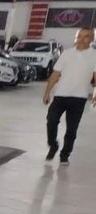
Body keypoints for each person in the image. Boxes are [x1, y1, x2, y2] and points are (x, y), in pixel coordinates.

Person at [42, 27, 96, 165]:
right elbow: (55, 74)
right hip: (60, 95)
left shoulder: (94, 55)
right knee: (51, 120)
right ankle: (53, 145)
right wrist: (47, 92)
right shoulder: (67, 53)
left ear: (92, 39)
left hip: (79, 97)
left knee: (72, 128)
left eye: (85, 36)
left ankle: (65, 154)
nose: (81, 39)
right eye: (79, 36)